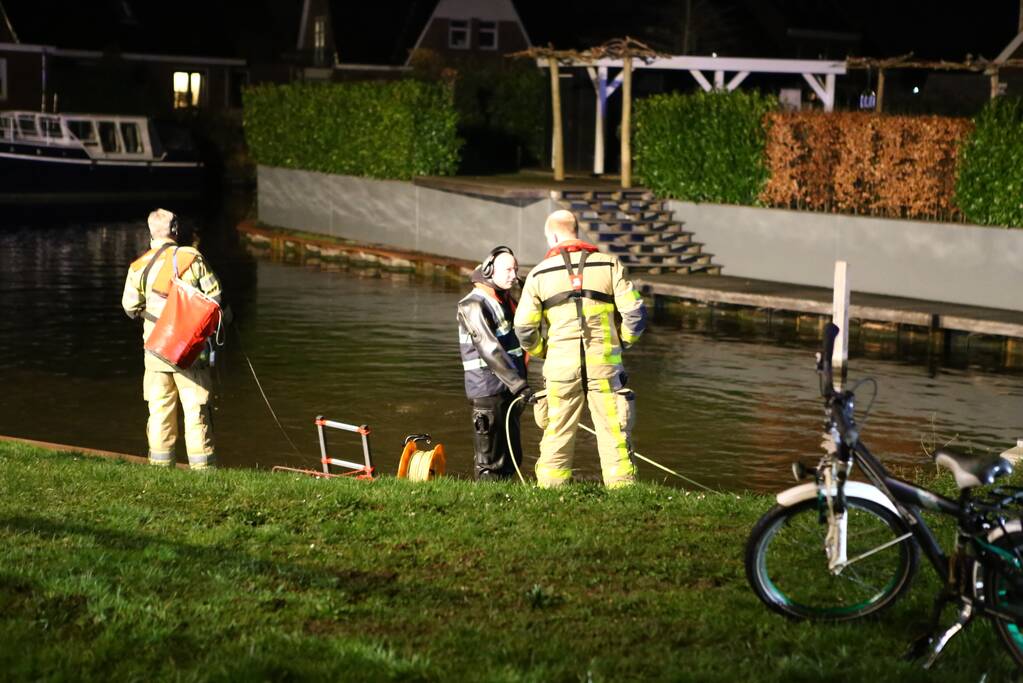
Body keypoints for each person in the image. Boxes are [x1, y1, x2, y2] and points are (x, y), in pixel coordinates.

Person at [513, 209, 647, 488]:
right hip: (605, 366)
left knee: (557, 432)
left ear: (552, 235)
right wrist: (621, 342)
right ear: (577, 231)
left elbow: (524, 328)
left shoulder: (539, 274)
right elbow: (635, 312)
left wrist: (543, 351)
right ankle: (623, 492)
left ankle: (551, 491)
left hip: (561, 368)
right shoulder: (610, 265)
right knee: (614, 433)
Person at [121, 208, 222, 469]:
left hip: (155, 351)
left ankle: (160, 468)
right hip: (189, 352)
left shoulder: (138, 266)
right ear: (176, 230)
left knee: (159, 411)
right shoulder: (192, 258)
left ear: (150, 232)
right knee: (196, 410)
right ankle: (204, 471)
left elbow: (130, 308)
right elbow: (216, 298)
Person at [457, 246, 534, 480]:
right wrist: (519, 385)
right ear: (489, 270)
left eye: (516, 269)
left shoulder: (503, 300)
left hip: (509, 389)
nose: (514, 274)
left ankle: (507, 499)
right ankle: (487, 503)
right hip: (488, 390)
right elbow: (490, 349)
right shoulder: (473, 304)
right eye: (508, 270)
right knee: (490, 460)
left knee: (511, 456)